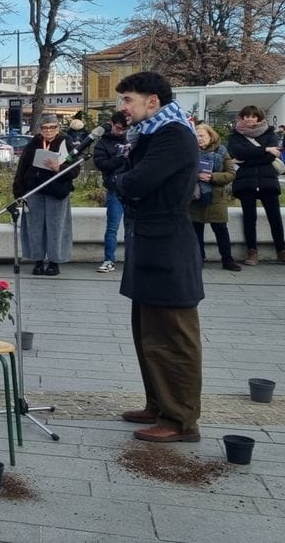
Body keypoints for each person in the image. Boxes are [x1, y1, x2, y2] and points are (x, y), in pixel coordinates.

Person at [115, 71, 204, 443]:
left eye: (128, 100)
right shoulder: (149, 134)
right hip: (148, 241)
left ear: (153, 101)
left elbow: (134, 181)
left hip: (168, 244)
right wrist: (124, 182)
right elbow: (126, 177)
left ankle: (180, 419)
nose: (123, 108)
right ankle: (158, 403)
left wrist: (123, 184)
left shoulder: (173, 134)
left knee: (172, 337)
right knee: (148, 333)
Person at [12, 113, 80, 276]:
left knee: (56, 228)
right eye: (45, 128)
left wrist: (59, 168)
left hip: (57, 192)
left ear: (58, 128)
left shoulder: (66, 143)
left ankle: (55, 262)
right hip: (35, 191)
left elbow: (75, 170)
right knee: (35, 227)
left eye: (52, 127)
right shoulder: (34, 144)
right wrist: (19, 191)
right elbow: (22, 168)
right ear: (40, 129)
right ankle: (38, 261)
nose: (49, 131)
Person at [226, 105, 285, 265]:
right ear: (242, 117)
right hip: (245, 182)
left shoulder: (269, 132)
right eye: (246, 116)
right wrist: (266, 149)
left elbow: (272, 158)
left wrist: (249, 158)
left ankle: (281, 250)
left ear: (259, 117)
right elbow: (237, 152)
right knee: (249, 218)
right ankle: (252, 252)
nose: (250, 119)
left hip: (267, 180)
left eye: (253, 116)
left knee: (275, 218)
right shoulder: (235, 135)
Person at [189, 123, 240, 272]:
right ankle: (198, 258)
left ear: (211, 136)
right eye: (196, 136)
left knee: (221, 229)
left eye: (202, 135)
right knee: (195, 229)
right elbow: (182, 173)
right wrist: (196, 175)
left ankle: (227, 259)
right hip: (195, 197)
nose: (199, 139)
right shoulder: (189, 152)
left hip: (216, 197)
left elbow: (231, 173)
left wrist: (212, 177)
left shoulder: (222, 151)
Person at [93, 111, 129, 273]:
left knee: (132, 227)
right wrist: (121, 158)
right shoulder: (102, 143)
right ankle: (109, 259)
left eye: (124, 129)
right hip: (114, 188)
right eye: (118, 128)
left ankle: (133, 259)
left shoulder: (133, 139)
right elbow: (102, 164)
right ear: (112, 124)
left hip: (132, 188)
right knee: (112, 227)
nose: (121, 132)